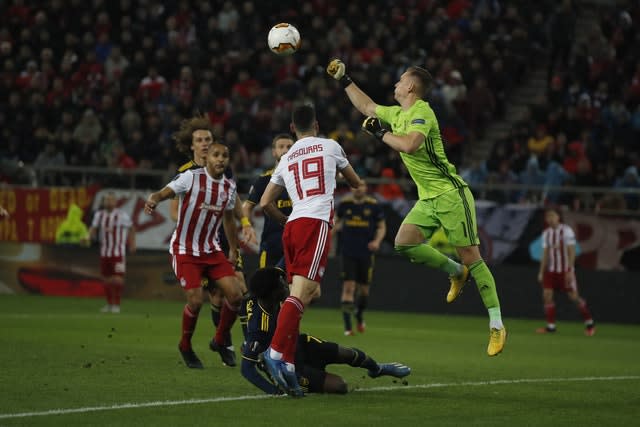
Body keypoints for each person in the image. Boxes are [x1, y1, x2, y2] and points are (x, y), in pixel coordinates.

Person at [327, 59, 506, 356]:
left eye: (399, 80)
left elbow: (410, 145)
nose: (395, 84)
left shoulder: (423, 113)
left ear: (410, 86)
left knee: (473, 257)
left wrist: (379, 134)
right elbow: (368, 107)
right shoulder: (397, 113)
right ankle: (454, 272)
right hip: (428, 199)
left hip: (451, 194)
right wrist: (345, 80)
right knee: (403, 242)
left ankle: (497, 324)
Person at [258, 104, 362, 396]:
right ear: (316, 125)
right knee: (301, 294)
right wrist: (339, 176)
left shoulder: (287, 156)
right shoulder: (331, 146)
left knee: (309, 293)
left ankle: (289, 362)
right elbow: (356, 183)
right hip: (315, 223)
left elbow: (265, 203)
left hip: (292, 227)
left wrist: (286, 220)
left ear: (293, 129)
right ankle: (275, 353)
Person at [144, 138, 245, 369]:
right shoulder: (192, 177)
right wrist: (154, 199)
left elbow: (229, 221)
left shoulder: (229, 188)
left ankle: (220, 340)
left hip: (211, 250)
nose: (220, 159)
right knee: (196, 300)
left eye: (224, 156)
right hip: (185, 250)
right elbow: (166, 192)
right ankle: (185, 345)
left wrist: (233, 248)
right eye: (216, 155)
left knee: (236, 295)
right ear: (207, 157)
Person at [169, 116, 255, 367]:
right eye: (200, 140)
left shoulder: (222, 167)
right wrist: (194, 220)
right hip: (195, 244)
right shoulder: (185, 173)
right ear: (192, 146)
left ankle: (226, 341)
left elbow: (234, 200)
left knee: (238, 288)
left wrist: (246, 223)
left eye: (208, 139)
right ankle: (221, 342)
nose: (205, 143)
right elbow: (174, 210)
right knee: (214, 298)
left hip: (221, 241)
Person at [240, 267, 410, 395]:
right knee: (340, 386)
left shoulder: (261, 294)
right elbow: (246, 369)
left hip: (299, 344)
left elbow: (245, 302)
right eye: (282, 284)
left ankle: (377, 369)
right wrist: (274, 391)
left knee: (347, 353)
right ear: (272, 293)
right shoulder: (259, 327)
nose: (286, 286)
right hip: (290, 366)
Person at [333, 180, 386, 335]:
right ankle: (348, 327)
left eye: (361, 185)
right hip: (348, 252)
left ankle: (359, 314)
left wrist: (377, 241)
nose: (358, 188)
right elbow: (336, 223)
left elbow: (382, 226)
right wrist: (328, 237)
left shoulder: (373, 206)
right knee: (348, 287)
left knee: (364, 291)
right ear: (351, 188)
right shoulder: (345, 205)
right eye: (355, 186)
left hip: (366, 253)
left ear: (366, 188)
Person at [536, 207, 595, 336]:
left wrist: (569, 270)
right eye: (548, 217)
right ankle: (551, 327)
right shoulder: (546, 233)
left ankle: (589, 323)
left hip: (565, 271)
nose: (550, 219)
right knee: (547, 296)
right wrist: (541, 271)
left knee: (574, 297)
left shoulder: (566, 231)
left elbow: (571, 251)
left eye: (552, 216)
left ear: (558, 217)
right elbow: (545, 253)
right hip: (551, 271)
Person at [242, 133, 294, 269]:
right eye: (281, 146)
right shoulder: (264, 179)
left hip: (296, 243)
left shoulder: (303, 177)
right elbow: (247, 207)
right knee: (267, 287)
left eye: (289, 146)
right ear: (273, 152)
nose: (285, 150)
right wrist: (247, 225)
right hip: (271, 243)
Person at [88, 192, 136, 313]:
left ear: (115, 202)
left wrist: (132, 243)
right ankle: (109, 304)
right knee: (106, 279)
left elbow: (131, 228)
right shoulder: (99, 215)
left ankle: (117, 305)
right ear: (104, 202)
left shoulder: (121, 215)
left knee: (118, 279)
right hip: (105, 252)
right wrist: (88, 237)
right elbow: (93, 228)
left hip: (118, 252)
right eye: (107, 200)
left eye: (111, 200)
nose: (109, 202)